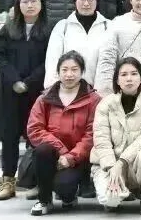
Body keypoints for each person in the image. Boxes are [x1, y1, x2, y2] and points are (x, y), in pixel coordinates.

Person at [26, 51, 103, 216]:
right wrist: (61, 151)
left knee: (64, 187)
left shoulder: (94, 100)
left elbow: (92, 134)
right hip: (50, 155)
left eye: (74, 70)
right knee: (42, 150)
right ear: (58, 72)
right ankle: (44, 200)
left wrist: (71, 157)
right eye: (65, 70)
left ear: (82, 72)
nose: (69, 74)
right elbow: (35, 129)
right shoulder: (44, 98)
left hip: (78, 158)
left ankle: (69, 195)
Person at [0, 0, 49, 201]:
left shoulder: (49, 31)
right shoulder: (8, 29)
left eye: (34, 1)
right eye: (25, 2)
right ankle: (8, 181)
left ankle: (34, 181)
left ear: (41, 4)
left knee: (35, 137)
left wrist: (29, 83)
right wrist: (14, 80)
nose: (30, 5)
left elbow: (49, 61)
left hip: (36, 93)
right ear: (18, 5)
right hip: (10, 92)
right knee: (9, 137)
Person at [89, 57, 141, 214]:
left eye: (134, 74)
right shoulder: (105, 104)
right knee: (110, 201)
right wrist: (111, 167)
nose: (129, 78)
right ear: (117, 80)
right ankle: (121, 193)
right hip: (108, 165)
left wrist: (121, 162)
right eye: (124, 74)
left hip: (135, 165)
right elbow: (101, 140)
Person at [44, 0, 112, 93]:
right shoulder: (63, 26)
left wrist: (104, 92)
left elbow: (111, 63)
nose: (86, 4)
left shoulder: (108, 26)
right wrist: (53, 89)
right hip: (67, 91)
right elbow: (52, 60)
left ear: (97, 1)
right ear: (75, 1)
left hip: (100, 92)